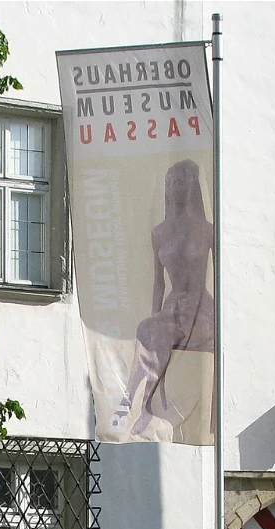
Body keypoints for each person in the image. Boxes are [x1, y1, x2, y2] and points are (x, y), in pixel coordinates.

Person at [115, 158, 217, 436]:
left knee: (159, 333)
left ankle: (143, 404)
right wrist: (154, 316)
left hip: (201, 310)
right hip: (173, 307)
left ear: (192, 187)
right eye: (170, 183)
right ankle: (136, 399)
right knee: (147, 329)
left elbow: (220, 277)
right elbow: (158, 282)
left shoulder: (207, 230)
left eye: (181, 182)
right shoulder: (159, 233)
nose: (175, 188)